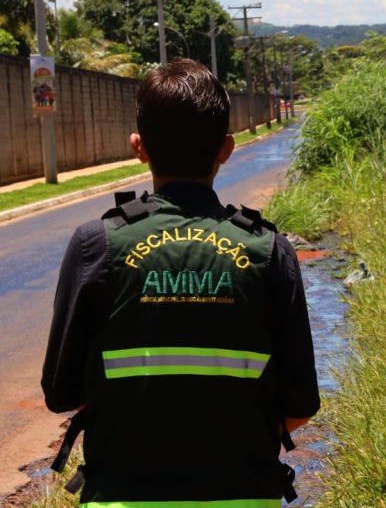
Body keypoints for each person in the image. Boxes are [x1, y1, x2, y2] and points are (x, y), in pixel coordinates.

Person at [41, 58, 320, 506]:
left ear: (139, 147)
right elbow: (300, 406)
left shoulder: (96, 244)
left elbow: (61, 392)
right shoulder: (269, 250)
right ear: (227, 148)